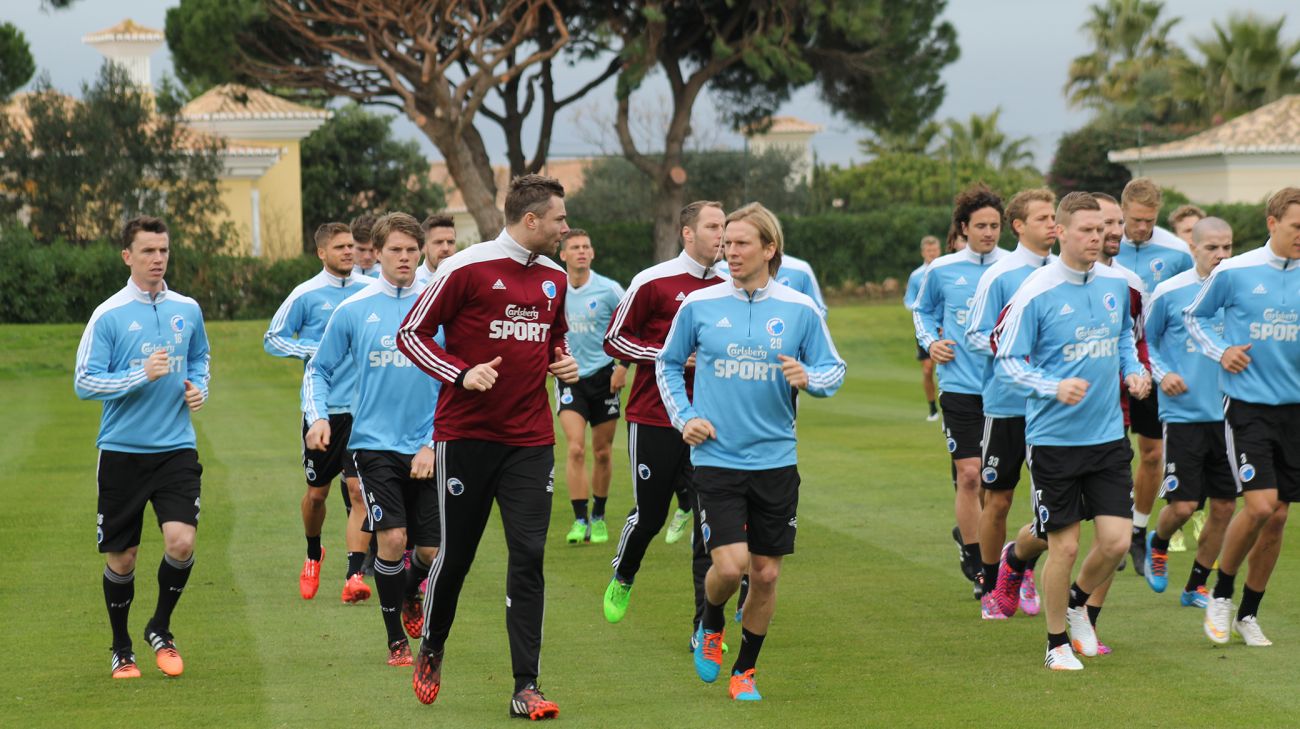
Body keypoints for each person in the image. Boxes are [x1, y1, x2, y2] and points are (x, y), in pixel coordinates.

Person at [397, 174, 578, 719]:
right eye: (560, 219)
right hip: (467, 438)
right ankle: (432, 645)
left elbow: (555, 338)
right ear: (531, 220)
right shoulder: (465, 267)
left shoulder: (554, 278)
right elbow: (412, 334)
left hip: (530, 441)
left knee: (529, 555)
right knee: (458, 554)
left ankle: (526, 686)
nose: (566, 228)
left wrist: (562, 364)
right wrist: (460, 372)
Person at [659, 203, 845, 701]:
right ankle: (711, 622)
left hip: (776, 462)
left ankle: (745, 671)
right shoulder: (699, 304)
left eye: (742, 243)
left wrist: (812, 379)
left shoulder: (800, 309)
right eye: (727, 243)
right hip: (716, 460)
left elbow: (834, 368)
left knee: (765, 573)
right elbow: (668, 364)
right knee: (729, 567)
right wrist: (686, 417)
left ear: (769, 249)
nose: (730, 251)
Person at [994, 192, 1151, 671]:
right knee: (1063, 544)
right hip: (1054, 442)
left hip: (1106, 437)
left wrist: (1132, 372)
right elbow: (1006, 362)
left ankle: (1079, 602)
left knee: (1117, 542)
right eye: (1086, 230)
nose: (1098, 238)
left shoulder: (1114, 284)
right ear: (1060, 232)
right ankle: (1055, 642)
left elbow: (1124, 336)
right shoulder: (1036, 291)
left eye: (1101, 230)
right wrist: (1051, 385)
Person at [74, 216, 211, 679]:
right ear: (127, 256)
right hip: (122, 451)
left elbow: (199, 357)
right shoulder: (108, 315)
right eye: (148, 251)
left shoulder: (187, 308)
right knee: (124, 557)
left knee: (182, 541)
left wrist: (199, 387)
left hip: (175, 448)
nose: (158, 259)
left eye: (164, 250)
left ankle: (161, 628)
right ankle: (121, 647)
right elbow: (84, 381)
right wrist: (139, 375)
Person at [305, 212, 442, 667]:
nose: (404, 258)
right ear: (376, 253)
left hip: (427, 446)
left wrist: (432, 442)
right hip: (371, 445)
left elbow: (455, 384)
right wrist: (318, 416)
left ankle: (408, 595)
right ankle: (395, 642)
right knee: (393, 538)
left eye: (410, 250)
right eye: (395, 250)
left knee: (429, 550)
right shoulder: (355, 310)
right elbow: (318, 369)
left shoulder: (437, 307)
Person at [601, 200, 725, 645]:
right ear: (687, 233)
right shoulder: (652, 281)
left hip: (711, 423)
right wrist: (669, 356)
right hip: (655, 417)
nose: (721, 234)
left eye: (725, 226)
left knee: (709, 527)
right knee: (650, 516)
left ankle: (704, 626)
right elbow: (614, 337)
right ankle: (625, 574)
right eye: (713, 226)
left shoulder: (731, 284)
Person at [1188, 187, 1300, 648]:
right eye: (1296, 226)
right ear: (1272, 223)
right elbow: (1195, 318)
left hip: (1294, 410)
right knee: (1257, 504)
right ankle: (1221, 592)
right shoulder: (1234, 271)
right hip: (1248, 404)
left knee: (1276, 518)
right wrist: (1223, 351)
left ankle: (1248, 615)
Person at [264, 223, 372, 603]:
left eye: (351, 247)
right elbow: (273, 338)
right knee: (316, 495)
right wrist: (312, 348)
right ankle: (313, 554)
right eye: (340, 247)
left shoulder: (368, 291)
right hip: (322, 410)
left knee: (358, 490)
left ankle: (355, 574)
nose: (349, 252)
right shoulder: (305, 294)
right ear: (322, 253)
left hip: (363, 410)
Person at [965, 188, 1056, 619]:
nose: (1053, 224)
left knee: (1050, 501)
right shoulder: (999, 275)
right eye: (1043, 218)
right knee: (998, 500)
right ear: (1019, 225)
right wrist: (1018, 350)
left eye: (1055, 216)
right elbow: (974, 334)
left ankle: (1019, 568)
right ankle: (989, 582)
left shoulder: (1064, 272)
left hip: (1053, 409)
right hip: (1006, 405)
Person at [913, 184, 1008, 595]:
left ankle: (986, 550)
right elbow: (923, 310)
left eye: (995, 225)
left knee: (993, 484)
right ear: (964, 228)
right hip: (959, 387)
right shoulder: (943, 269)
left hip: (1005, 390)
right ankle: (978, 562)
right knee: (969, 476)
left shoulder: (1014, 269)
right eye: (981, 225)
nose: (988, 232)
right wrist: (930, 341)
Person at [1142, 217, 1238, 608]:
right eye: (1212, 248)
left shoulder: (1238, 289)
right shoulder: (1169, 292)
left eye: (1227, 247)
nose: (1220, 255)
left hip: (1231, 414)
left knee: (1226, 505)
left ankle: (1196, 584)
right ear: (1193, 249)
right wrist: (1164, 375)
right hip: (1183, 414)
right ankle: (1158, 542)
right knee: (1182, 506)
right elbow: (1144, 344)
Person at [1115, 178, 1194, 573]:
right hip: (1105, 368)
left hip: (1151, 366)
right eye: (1135, 220)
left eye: (1150, 220)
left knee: (1152, 453)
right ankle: (1110, 533)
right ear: (1123, 210)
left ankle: (1136, 531)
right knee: (1111, 455)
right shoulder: (1105, 244)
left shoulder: (1177, 252)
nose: (1142, 228)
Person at [555, 229, 627, 544]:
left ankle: (598, 516)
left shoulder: (610, 290)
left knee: (601, 452)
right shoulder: (555, 290)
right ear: (564, 255)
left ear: (592, 253)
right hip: (570, 376)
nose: (582, 251)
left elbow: (631, 326)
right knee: (574, 448)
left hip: (604, 376)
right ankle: (579, 520)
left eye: (586, 246)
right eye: (575, 247)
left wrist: (623, 366)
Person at [905, 235, 942, 421]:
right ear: (923, 253)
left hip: (946, 327)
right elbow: (909, 301)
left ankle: (952, 405)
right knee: (927, 369)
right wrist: (923, 310)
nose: (932, 254)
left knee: (948, 367)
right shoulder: (916, 276)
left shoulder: (946, 270)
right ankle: (932, 408)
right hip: (926, 329)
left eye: (935, 250)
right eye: (929, 251)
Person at [417, 214, 457, 287]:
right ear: (422, 247)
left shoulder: (466, 283)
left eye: (450, 242)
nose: (446, 248)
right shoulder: (409, 284)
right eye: (438, 242)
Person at [352, 213, 380, 278]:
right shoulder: (335, 276)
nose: (367, 257)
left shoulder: (392, 278)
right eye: (361, 250)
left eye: (372, 250)